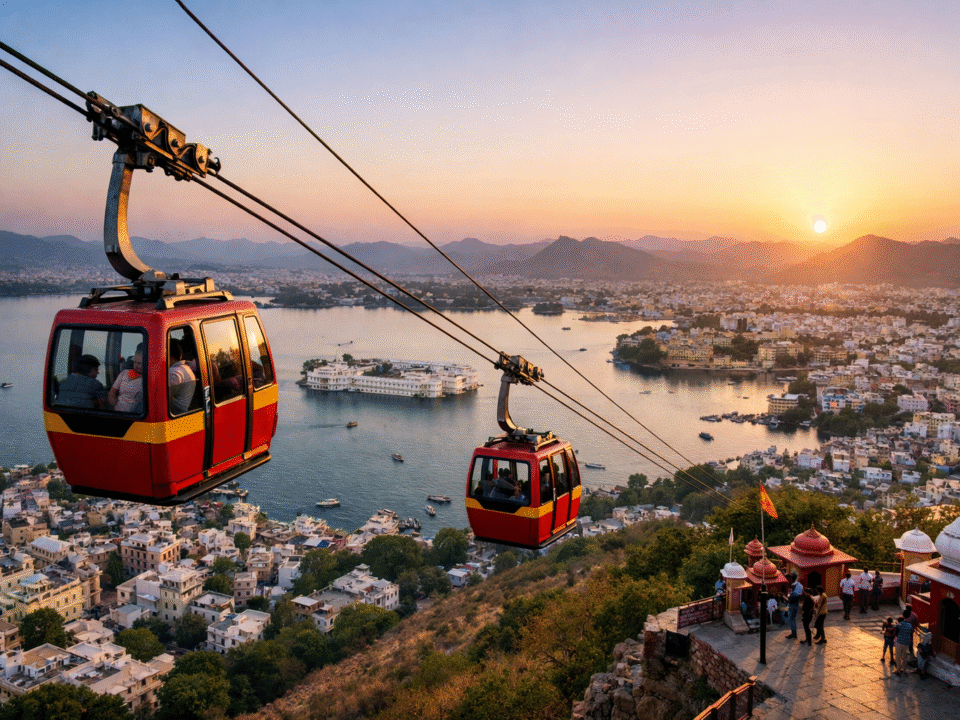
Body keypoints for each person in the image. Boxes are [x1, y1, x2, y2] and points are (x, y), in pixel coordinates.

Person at [108, 348, 143, 413]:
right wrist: (115, 407)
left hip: (136, 415)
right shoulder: (124, 373)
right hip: (118, 412)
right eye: (135, 362)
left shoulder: (149, 379)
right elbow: (112, 393)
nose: (136, 366)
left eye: (139, 363)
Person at [168, 338, 198, 415]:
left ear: (169, 356)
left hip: (175, 415)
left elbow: (161, 399)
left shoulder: (173, 373)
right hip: (184, 412)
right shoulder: (186, 368)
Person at [784, 572, 803, 639]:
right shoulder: (799, 585)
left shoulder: (794, 587)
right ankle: (793, 633)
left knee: (791, 619)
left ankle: (794, 634)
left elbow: (790, 599)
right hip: (795, 604)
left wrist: (783, 597)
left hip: (793, 604)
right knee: (792, 619)